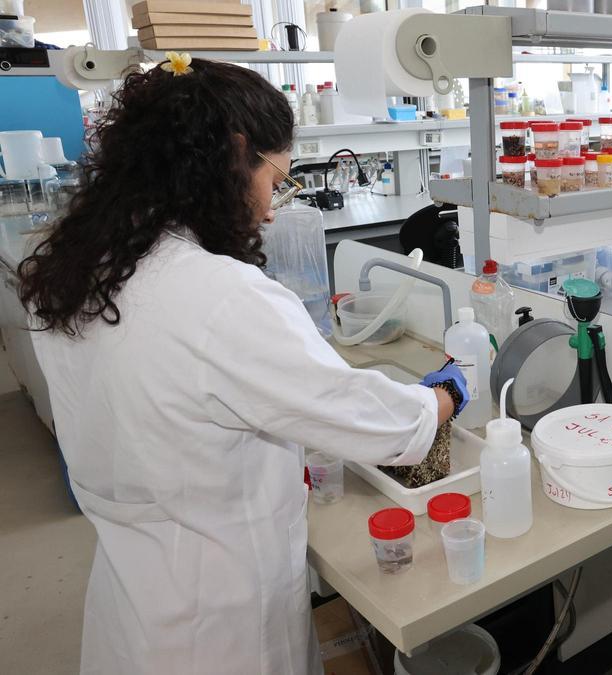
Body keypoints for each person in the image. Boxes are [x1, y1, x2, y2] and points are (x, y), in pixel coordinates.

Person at [18, 56, 468, 675]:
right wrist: (442, 397)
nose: (273, 207)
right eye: (275, 178)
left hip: (134, 592)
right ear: (234, 155)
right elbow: (373, 423)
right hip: (218, 617)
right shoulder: (219, 296)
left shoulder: (86, 266)